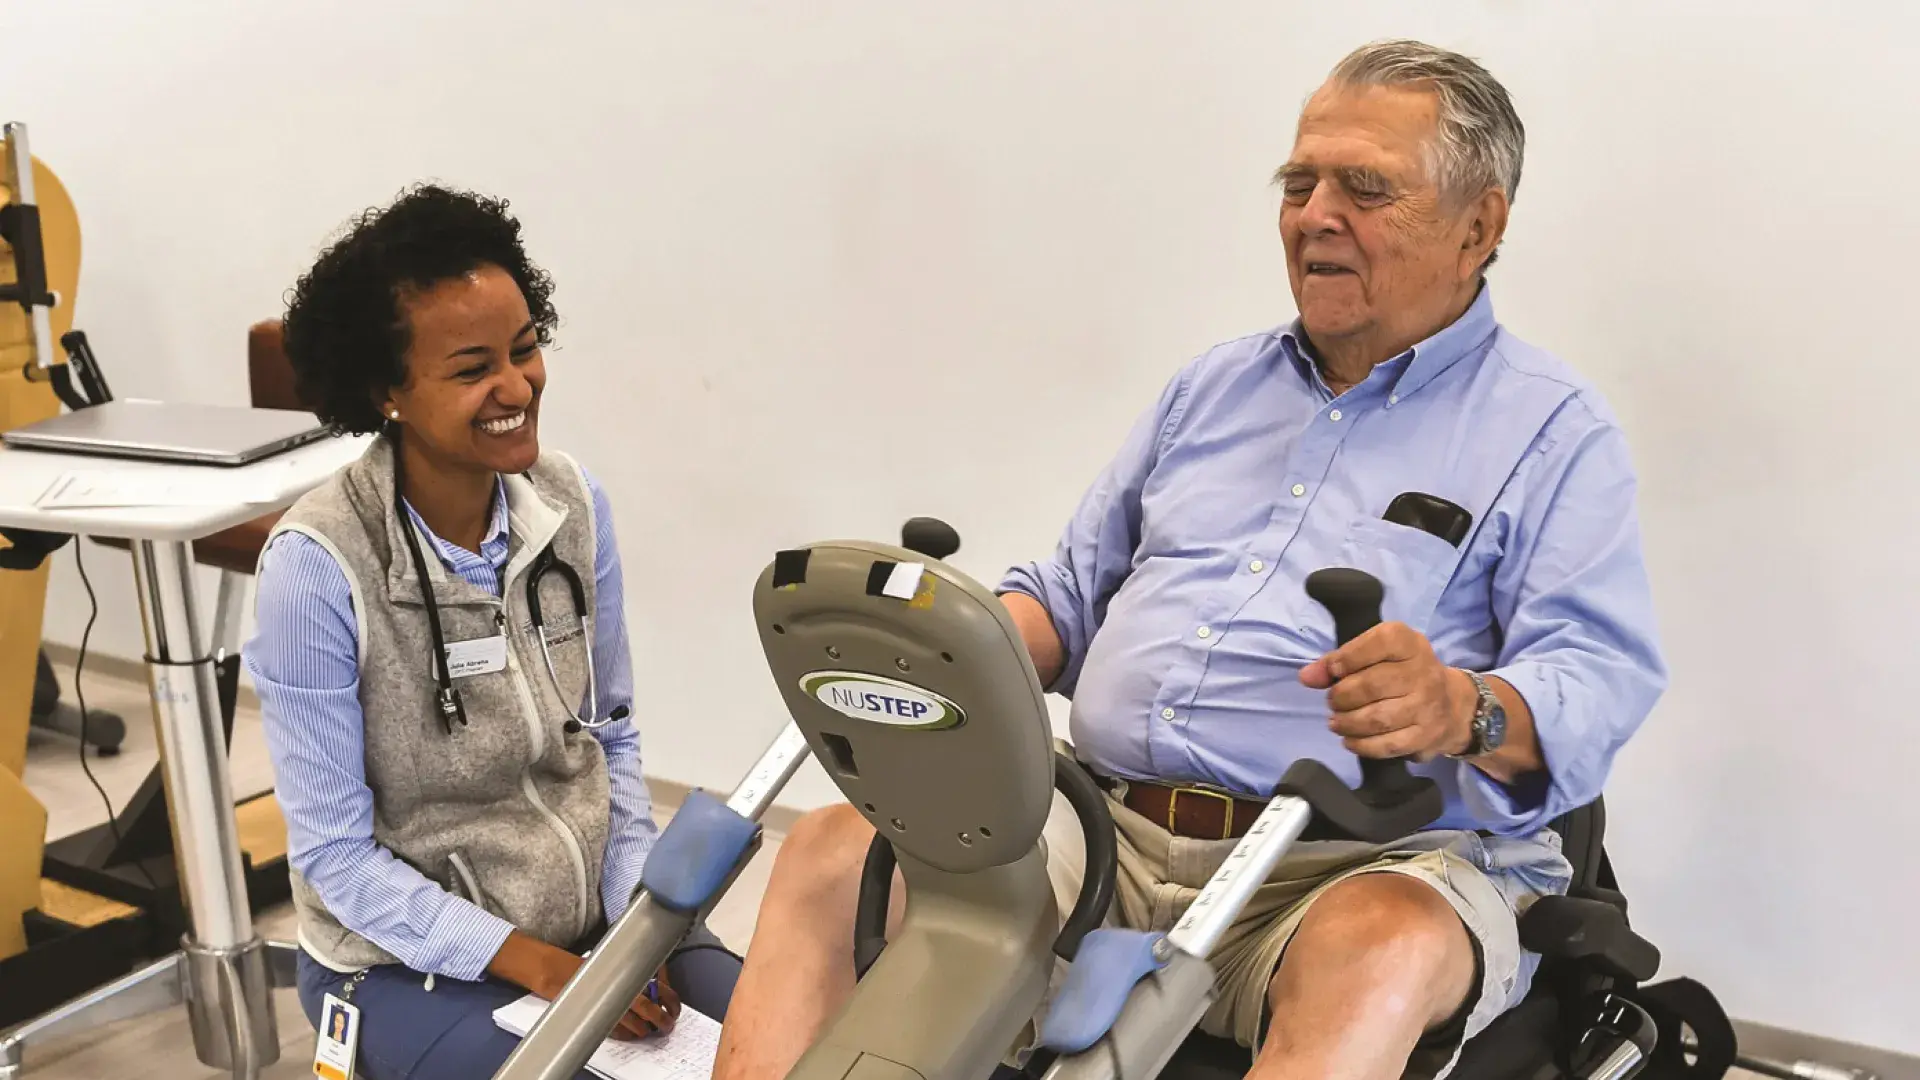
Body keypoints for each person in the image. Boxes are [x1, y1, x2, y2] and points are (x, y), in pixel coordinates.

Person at [713, 39, 1665, 1080]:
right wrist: (950, 648)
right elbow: (1072, 598)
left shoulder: (1553, 430)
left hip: (1347, 868)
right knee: (825, 856)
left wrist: (1463, 707)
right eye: (1298, 183)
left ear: (1479, 224)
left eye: (1364, 187)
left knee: (1381, 952)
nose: (1313, 215)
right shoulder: (1211, 389)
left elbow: (1599, 678)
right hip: (1102, 825)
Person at [247, 184, 740, 1080]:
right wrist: (551, 971)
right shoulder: (316, 568)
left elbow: (611, 735)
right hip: (398, 966)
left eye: (525, 349)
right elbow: (338, 863)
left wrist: (638, 924)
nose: (516, 387)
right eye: (473, 369)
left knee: (793, 1040)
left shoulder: (571, 504)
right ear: (387, 391)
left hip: (595, 930)